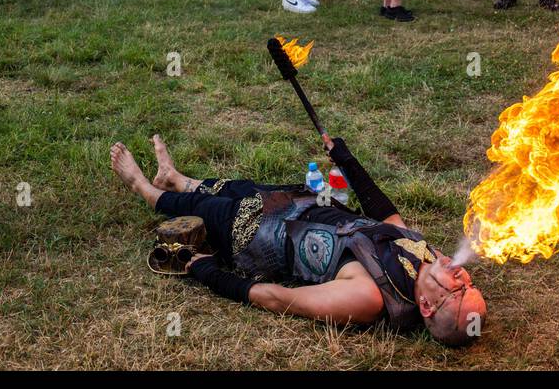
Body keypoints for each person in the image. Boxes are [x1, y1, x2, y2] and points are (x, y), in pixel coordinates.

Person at [110, 133, 485, 347]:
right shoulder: (426, 259)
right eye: (468, 281)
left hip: (257, 237)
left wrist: (207, 272)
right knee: (238, 187)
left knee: (208, 209)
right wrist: (346, 159)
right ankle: (174, 176)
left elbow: (280, 299)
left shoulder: (369, 298)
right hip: (296, 205)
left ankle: (143, 187)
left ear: (427, 307)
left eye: (458, 288)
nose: (461, 275)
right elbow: (389, 219)